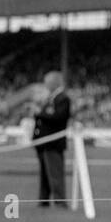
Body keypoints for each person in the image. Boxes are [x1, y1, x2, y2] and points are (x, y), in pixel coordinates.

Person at [32, 71, 71, 208]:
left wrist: (39, 113)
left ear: (54, 83)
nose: (45, 85)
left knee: (55, 173)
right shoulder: (50, 98)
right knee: (45, 174)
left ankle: (60, 200)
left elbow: (58, 117)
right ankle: (44, 199)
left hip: (53, 143)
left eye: (47, 82)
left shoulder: (62, 98)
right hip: (43, 142)